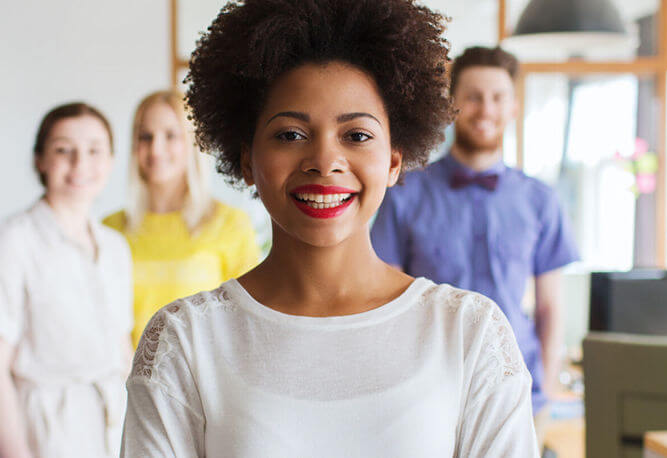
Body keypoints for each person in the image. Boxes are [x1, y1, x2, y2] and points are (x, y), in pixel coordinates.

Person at [121, 1, 539, 456]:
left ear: (394, 161)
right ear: (246, 160)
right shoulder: (185, 341)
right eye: (290, 134)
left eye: (356, 135)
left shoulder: (469, 334)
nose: (324, 161)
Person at [370, 46, 580, 432]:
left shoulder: (540, 200)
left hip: (520, 393)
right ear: (452, 105)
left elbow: (550, 308)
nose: (486, 109)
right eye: (473, 97)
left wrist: (546, 388)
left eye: (498, 98)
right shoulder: (403, 194)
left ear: (514, 108)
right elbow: (386, 302)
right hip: (427, 391)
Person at [0, 103, 135, 457]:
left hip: (113, 430)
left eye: (94, 150)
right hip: (46, 433)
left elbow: (122, 349)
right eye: (63, 150)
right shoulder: (13, 240)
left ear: (111, 161)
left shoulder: (115, 246)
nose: (80, 164)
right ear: (40, 159)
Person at [103, 90, 259, 345]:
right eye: (145, 136)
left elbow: (249, 321)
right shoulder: (110, 229)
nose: (156, 148)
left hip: (201, 381)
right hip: (124, 380)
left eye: (170, 135)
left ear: (192, 143)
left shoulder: (230, 224)